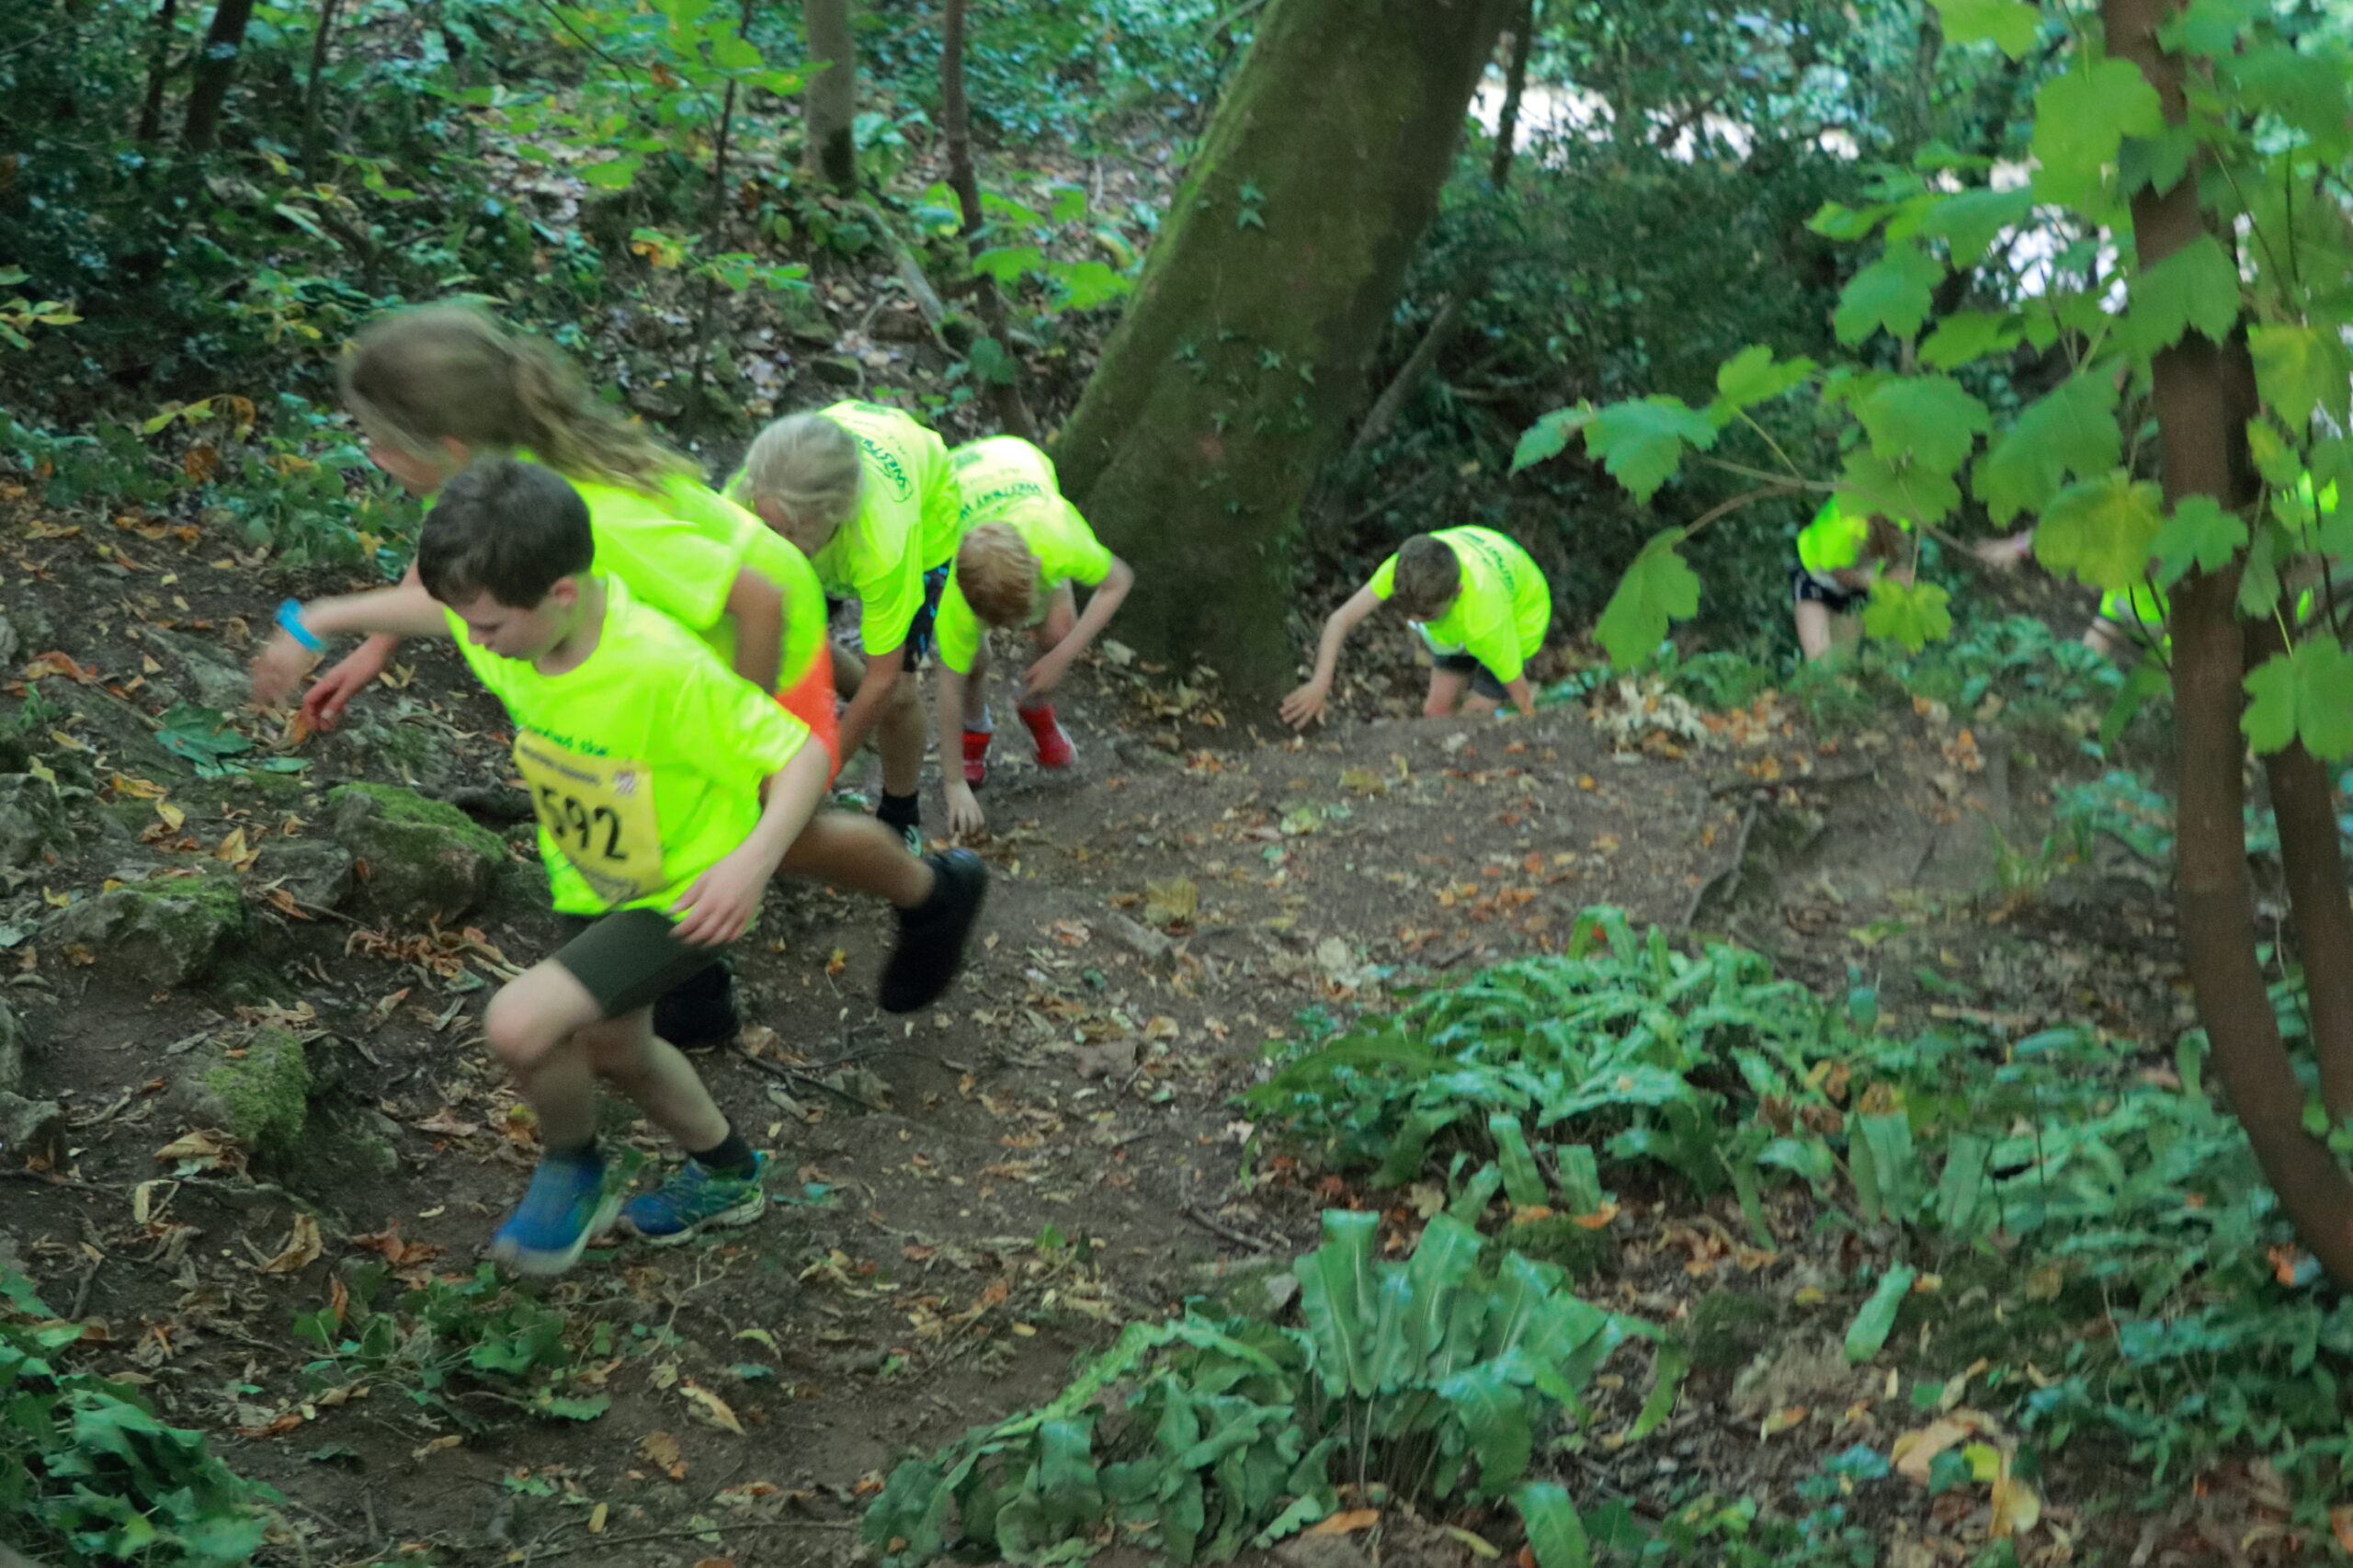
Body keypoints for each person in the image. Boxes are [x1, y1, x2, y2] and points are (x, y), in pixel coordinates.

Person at [253, 462, 956, 1273]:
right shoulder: (514, 627)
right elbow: (434, 611)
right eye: (470, 625)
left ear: (559, 594)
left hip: (693, 887)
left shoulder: (659, 668)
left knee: (521, 1022)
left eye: (487, 628)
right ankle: (728, 1176)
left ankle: (573, 1165)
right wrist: (317, 620)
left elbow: (799, 753)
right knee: (616, 1047)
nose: (475, 642)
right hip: (593, 874)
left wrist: (753, 864)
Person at [278, 302, 963, 1049]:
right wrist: (375, 647)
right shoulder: (490, 476)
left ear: (448, 446)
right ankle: (693, 988)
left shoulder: (598, 517)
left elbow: (760, 598)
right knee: (665, 802)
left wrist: (742, 735)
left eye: (380, 442)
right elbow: (450, 555)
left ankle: (934, 893)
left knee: (770, 826)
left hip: (763, 631)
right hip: (676, 630)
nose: (373, 455)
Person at [732, 402, 964, 851]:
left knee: (897, 693)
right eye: (765, 524)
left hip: (926, 514)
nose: (774, 542)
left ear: (832, 514)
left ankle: (900, 812)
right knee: (780, 628)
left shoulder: (881, 546)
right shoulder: (750, 488)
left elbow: (883, 680)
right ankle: (856, 708)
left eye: (787, 531)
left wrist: (814, 778)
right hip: (828, 486)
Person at [931, 437, 1133, 836]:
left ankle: (1035, 707)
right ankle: (977, 726)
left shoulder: (1058, 537)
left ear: (1039, 566)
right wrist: (953, 784)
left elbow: (1118, 581)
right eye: (1002, 622)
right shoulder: (957, 599)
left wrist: (1061, 658)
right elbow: (947, 685)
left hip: (1016, 459)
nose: (1014, 629)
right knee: (970, 661)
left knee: (1059, 630)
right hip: (954, 488)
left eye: (1020, 616)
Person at [1279, 528, 1550, 728]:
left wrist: (1533, 732)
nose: (1416, 621)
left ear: (1457, 592)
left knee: (1474, 714)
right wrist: (1320, 683)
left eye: (1427, 615)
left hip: (1522, 616)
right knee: (1435, 713)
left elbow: (1523, 697)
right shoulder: (1405, 570)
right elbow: (1340, 619)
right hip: (1461, 612)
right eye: (1407, 611)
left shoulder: (1486, 622)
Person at [1791, 496, 1910, 661]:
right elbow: (1842, 575)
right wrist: (1885, 587)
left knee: (1842, 660)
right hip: (1815, 579)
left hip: (1856, 589)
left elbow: (1899, 563)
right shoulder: (1845, 525)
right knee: (1818, 657)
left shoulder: (1899, 515)